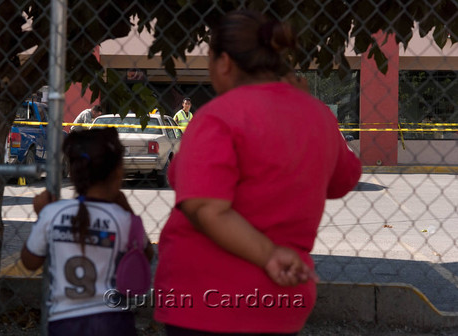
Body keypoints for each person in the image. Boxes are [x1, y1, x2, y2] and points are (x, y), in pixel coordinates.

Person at [153, 10, 361, 336]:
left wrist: (269, 255)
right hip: (281, 303)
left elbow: (199, 200)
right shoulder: (318, 116)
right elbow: (343, 180)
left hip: (202, 301)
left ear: (224, 63)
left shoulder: (217, 117)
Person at [20, 128, 154, 336]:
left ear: (73, 172)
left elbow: (30, 262)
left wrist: (41, 216)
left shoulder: (52, 214)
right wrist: (127, 208)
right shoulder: (123, 219)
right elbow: (147, 256)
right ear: (118, 172)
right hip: (114, 321)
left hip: (64, 323)